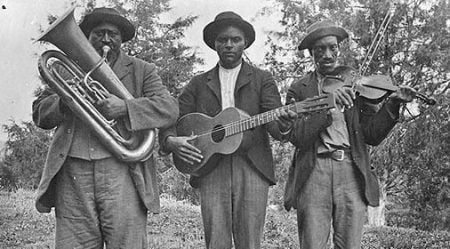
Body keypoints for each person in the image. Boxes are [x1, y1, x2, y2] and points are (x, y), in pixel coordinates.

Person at [33, 7, 178, 249]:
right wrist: (66, 100)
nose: (106, 39)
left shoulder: (142, 70)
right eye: (99, 33)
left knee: (127, 244)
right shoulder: (63, 68)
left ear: (122, 39)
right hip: (73, 173)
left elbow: (169, 108)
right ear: (87, 37)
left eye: (113, 34)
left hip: (122, 173)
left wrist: (126, 108)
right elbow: (40, 114)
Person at [159, 11, 296, 249]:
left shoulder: (262, 79)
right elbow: (173, 117)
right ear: (215, 44)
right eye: (223, 40)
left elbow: (275, 125)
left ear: (245, 43)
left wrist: (283, 122)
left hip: (252, 165)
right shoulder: (198, 83)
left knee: (250, 242)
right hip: (211, 166)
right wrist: (170, 140)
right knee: (216, 241)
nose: (229, 45)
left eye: (235, 39)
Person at [283, 20, 417, 249]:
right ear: (311, 54)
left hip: (351, 172)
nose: (327, 54)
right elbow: (297, 137)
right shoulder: (299, 88)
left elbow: (372, 135)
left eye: (333, 48)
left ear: (339, 49)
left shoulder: (354, 83)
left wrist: (392, 105)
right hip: (314, 171)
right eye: (320, 50)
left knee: (350, 245)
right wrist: (328, 104)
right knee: (312, 244)